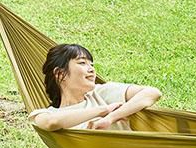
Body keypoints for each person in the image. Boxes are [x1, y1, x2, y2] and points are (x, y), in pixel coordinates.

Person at [28, 44, 162, 131]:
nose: (91, 69)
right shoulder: (46, 114)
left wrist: (110, 118)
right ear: (60, 74)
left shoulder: (101, 93)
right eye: (82, 63)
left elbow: (152, 93)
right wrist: (104, 110)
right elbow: (51, 123)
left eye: (91, 65)